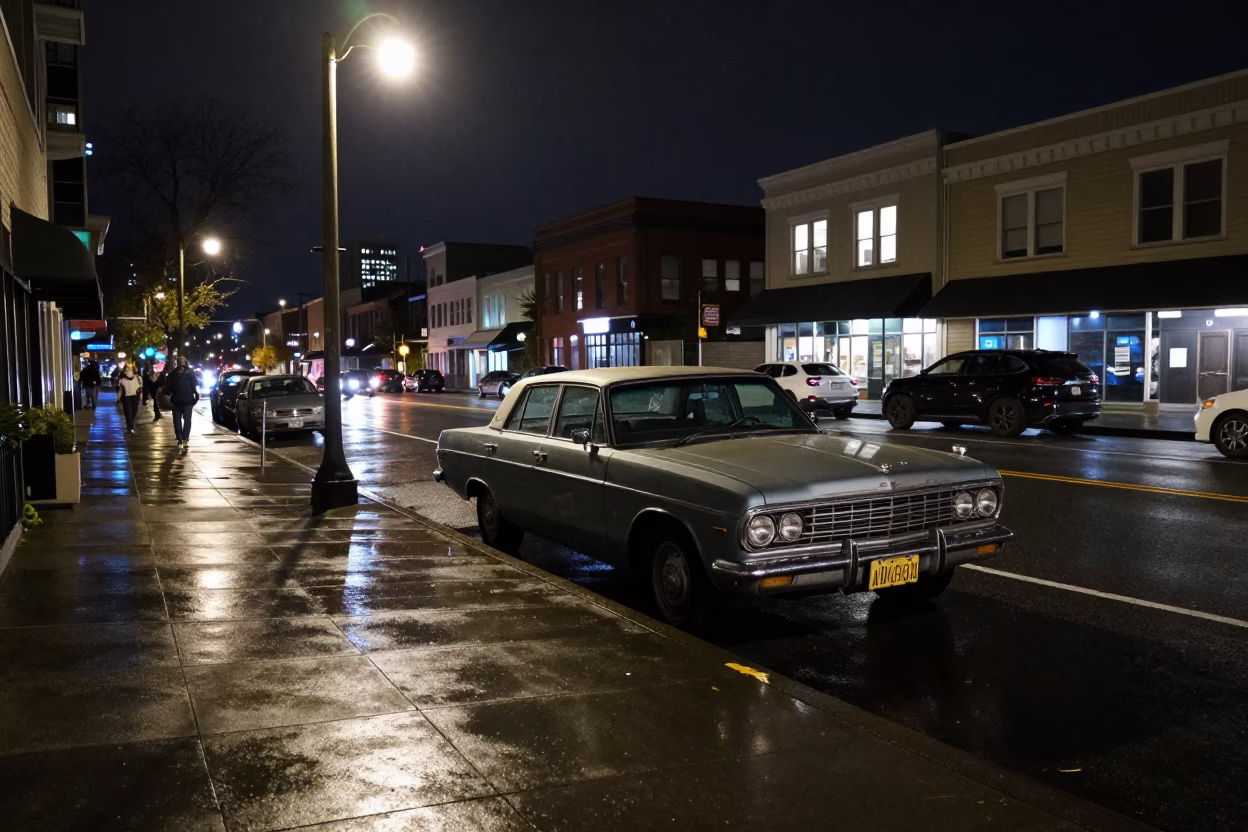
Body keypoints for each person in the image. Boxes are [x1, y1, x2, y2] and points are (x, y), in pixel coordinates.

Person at [164, 355, 199, 450]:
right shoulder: (187, 373)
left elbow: (168, 387)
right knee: (184, 421)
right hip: (184, 401)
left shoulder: (174, 374)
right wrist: (195, 396)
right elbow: (194, 386)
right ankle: (183, 439)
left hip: (179, 401)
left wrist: (167, 391)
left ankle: (182, 439)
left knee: (178, 421)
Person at [117, 363, 142, 433]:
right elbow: (120, 390)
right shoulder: (123, 380)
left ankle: (130, 425)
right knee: (130, 412)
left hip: (131, 396)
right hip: (128, 397)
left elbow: (140, 388)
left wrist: (141, 397)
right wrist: (118, 398)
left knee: (131, 411)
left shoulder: (138, 378)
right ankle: (130, 426)